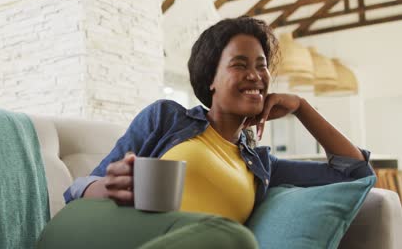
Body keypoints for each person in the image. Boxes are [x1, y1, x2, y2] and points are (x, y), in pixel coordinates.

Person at [37, 16, 374, 249]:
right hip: (104, 233)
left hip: (202, 242)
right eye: (240, 64)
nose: (256, 75)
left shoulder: (261, 167)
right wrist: (108, 186)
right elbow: (77, 193)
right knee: (235, 240)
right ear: (210, 78)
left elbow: (353, 171)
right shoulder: (166, 118)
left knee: (227, 240)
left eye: (262, 65)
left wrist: (302, 107)